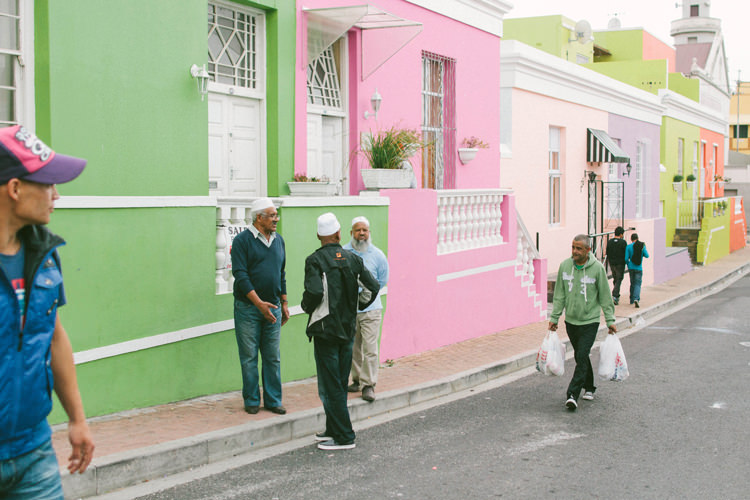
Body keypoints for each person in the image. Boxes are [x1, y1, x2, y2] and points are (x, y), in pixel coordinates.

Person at [0, 125, 95, 498]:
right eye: (48, 184)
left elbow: (53, 336)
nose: (56, 195)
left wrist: (77, 419)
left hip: (33, 448)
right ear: (15, 188)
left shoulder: (43, 253)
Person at [301, 213, 379, 451]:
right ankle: (333, 428)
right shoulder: (352, 258)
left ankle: (344, 436)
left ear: (319, 236)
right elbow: (373, 286)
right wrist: (360, 306)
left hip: (325, 331)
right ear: (337, 234)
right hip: (347, 328)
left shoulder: (314, 260)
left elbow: (314, 293)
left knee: (330, 384)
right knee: (338, 382)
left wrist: (306, 307)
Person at [231, 198, 290, 415]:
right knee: (249, 357)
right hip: (248, 309)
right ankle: (252, 400)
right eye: (272, 215)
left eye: (276, 215)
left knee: (272, 356)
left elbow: (281, 273)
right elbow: (240, 276)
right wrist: (258, 304)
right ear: (259, 218)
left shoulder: (278, 241)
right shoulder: (242, 241)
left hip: (273, 307)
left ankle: (274, 400)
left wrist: (283, 302)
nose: (276, 219)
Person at [548, 234, 616, 411]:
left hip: (590, 321)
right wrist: (555, 318)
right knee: (581, 355)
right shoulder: (565, 266)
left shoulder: (598, 269)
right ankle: (590, 387)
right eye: (573, 247)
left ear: (588, 250)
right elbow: (559, 295)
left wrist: (610, 321)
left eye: (579, 248)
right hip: (571, 321)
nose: (575, 251)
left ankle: (572, 394)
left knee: (581, 354)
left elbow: (605, 297)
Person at [343, 216, 389, 402]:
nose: (361, 233)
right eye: (357, 230)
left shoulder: (377, 255)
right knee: (354, 348)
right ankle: (356, 379)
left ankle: (368, 384)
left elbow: (383, 280)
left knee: (370, 348)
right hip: (350, 309)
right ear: (351, 233)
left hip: (371, 309)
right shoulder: (343, 252)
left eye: (365, 230)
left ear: (369, 232)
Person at [625, 233, 649, 308]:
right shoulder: (642, 246)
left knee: (632, 283)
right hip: (639, 268)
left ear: (631, 239)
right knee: (638, 284)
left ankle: (631, 299)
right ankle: (636, 298)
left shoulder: (628, 247)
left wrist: (629, 264)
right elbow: (647, 255)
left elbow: (626, 258)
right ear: (637, 238)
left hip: (631, 268)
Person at [605, 226, 627, 305]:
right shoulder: (623, 242)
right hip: (620, 263)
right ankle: (615, 294)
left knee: (615, 278)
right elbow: (625, 253)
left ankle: (616, 295)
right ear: (621, 234)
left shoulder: (610, 241)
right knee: (619, 278)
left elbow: (607, 252)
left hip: (612, 263)